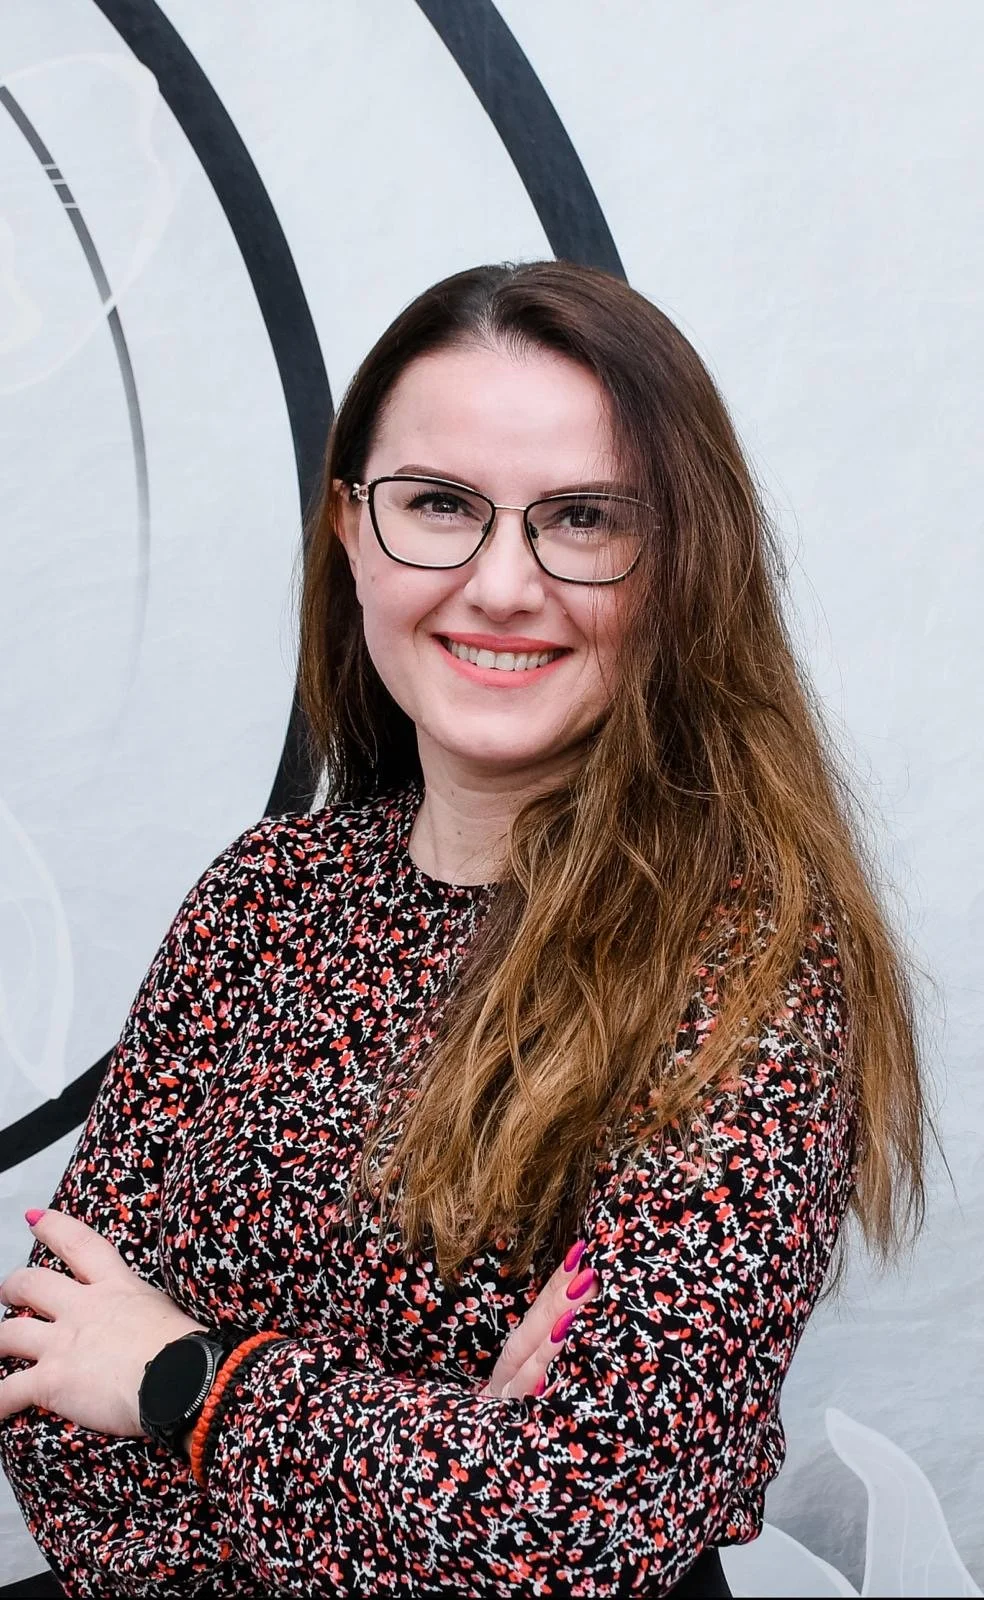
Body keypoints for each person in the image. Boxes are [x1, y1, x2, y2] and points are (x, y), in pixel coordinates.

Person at [0, 261, 927, 1599]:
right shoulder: (261, 897)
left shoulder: (744, 970)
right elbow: (48, 1370)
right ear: (350, 529)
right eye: (439, 503)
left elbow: (574, 1522)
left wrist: (179, 1378)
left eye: (583, 518)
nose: (501, 585)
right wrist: (437, 1470)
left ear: (681, 562)